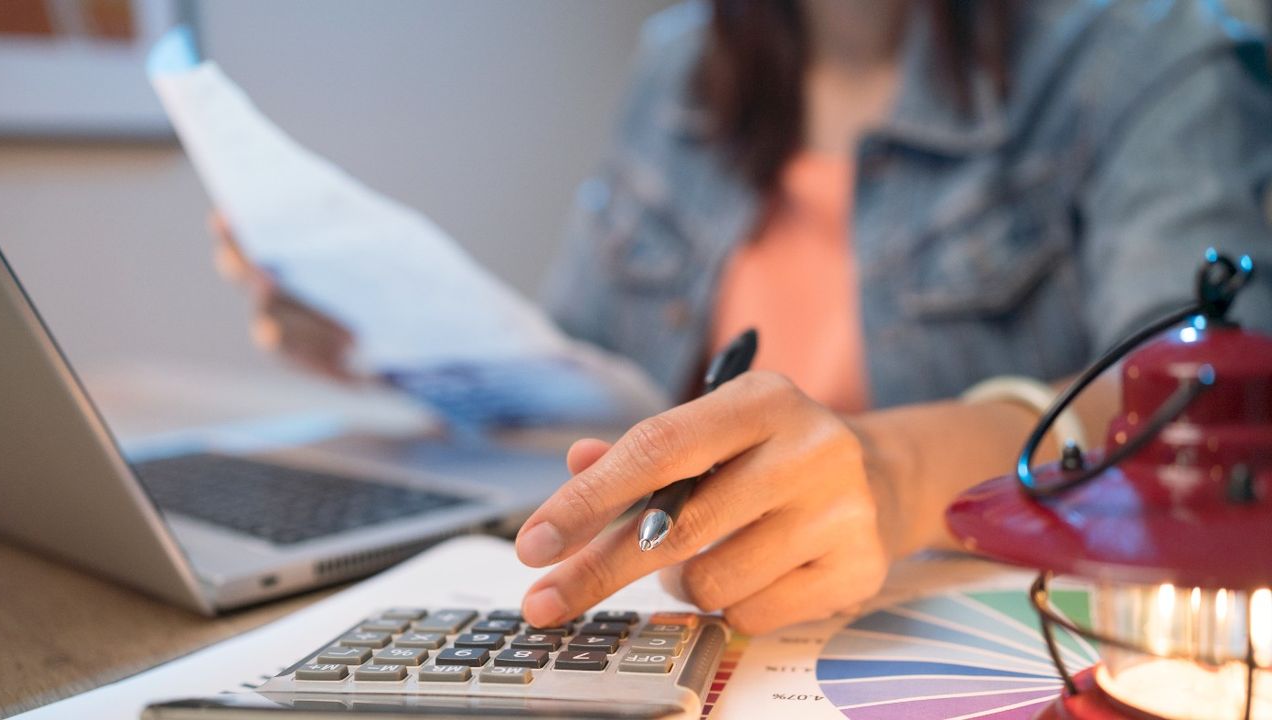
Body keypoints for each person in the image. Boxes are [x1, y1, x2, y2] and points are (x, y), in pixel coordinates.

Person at [215, 0, 1272, 634]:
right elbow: (587, 385)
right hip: (678, 631)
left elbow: (1198, 420)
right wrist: (386, 342)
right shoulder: (682, 59)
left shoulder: (1152, 57)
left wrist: (893, 474)